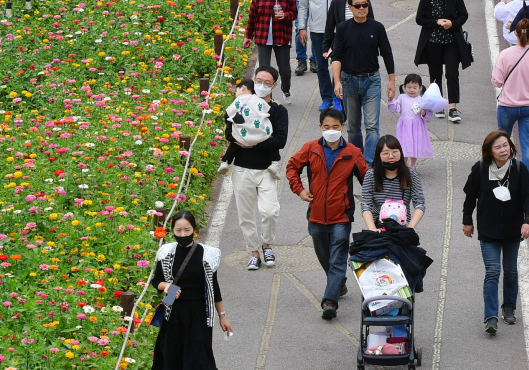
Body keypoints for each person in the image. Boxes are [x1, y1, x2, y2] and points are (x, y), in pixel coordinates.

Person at [285, 107, 369, 320]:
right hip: (315, 214)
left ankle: (329, 301)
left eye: (335, 126)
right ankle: (339, 283)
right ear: (320, 127)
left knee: (338, 258)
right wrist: (300, 189)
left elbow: (366, 179)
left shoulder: (353, 152)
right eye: (326, 126)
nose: (331, 130)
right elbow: (292, 167)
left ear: (342, 127)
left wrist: (376, 201)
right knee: (324, 256)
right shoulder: (310, 148)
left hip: (341, 215)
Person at [462, 131, 529, 335]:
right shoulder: (479, 169)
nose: (503, 150)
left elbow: (528, 198)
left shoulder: (519, 169)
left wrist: (527, 221)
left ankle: (509, 307)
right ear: (489, 151)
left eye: (505, 145)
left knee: (511, 270)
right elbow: (470, 197)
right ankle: (491, 317)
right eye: (498, 147)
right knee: (493, 271)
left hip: (513, 230)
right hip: (488, 230)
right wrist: (467, 221)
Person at [221, 70, 288, 271]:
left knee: (270, 211)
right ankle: (253, 252)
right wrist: (242, 140)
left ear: (274, 85)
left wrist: (251, 144)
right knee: (246, 214)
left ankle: (267, 244)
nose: (262, 85)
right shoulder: (239, 105)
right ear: (253, 82)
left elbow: (280, 140)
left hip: (266, 170)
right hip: (242, 169)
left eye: (267, 82)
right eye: (259, 81)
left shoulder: (277, 110)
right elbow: (228, 132)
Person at [149, 211, 233, 368]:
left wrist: (222, 316)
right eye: (178, 231)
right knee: (171, 358)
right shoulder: (167, 253)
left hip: (198, 315)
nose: (182, 234)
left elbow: (214, 287)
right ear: (172, 230)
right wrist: (167, 286)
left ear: (194, 229)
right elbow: (156, 281)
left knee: (199, 360)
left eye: (187, 230)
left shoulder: (207, 254)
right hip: (172, 313)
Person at [330, 0, 397, 163]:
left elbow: (387, 54)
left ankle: (369, 165)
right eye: (358, 5)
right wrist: (337, 82)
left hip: (372, 81)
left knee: (372, 126)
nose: (362, 8)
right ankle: (356, 158)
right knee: (353, 127)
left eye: (365, 5)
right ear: (350, 7)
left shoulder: (377, 27)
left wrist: (391, 81)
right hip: (349, 81)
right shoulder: (343, 28)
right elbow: (336, 56)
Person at [492, 19, 529, 176]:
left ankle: (503, 174)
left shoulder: (505, 54)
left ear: (515, 33)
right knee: (527, 144)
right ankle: (525, 180)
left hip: (507, 106)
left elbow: (497, 81)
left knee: (502, 142)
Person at [414, 0, 471, 122]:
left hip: (452, 42)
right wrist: (436, 22)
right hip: (433, 42)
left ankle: (452, 108)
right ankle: (438, 105)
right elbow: (419, 19)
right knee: (435, 74)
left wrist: (452, 24)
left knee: (452, 74)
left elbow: (464, 15)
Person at [244, 0, 296, 102]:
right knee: (263, 70)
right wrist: (248, 36)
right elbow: (253, 15)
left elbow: (294, 13)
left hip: (282, 36)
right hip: (263, 37)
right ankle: (267, 98)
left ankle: (286, 89)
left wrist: (285, 15)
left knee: (285, 70)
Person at [297, 0, 343, 104]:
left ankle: (338, 98)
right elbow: (303, 5)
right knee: (322, 67)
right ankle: (327, 98)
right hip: (317, 31)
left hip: (339, 31)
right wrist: (301, 27)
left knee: (339, 66)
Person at [361, 134, 426, 229]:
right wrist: (373, 229)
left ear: (401, 153)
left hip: (402, 226)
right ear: (379, 155)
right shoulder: (371, 175)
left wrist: (410, 227)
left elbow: (420, 203)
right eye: (386, 153)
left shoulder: (410, 175)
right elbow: (366, 204)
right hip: (378, 226)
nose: (391, 156)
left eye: (395, 152)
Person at [388, 74, 447, 167]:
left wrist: (424, 112)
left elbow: (427, 118)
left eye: (415, 87)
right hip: (404, 127)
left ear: (420, 88)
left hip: (417, 127)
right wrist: (391, 100)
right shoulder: (402, 97)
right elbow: (395, 109)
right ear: (404, 87)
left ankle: (412, 164)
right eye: (409, 87)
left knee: (414, 147)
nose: (411, 90)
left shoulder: (422, 100)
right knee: (404, 146)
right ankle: (403, 165)